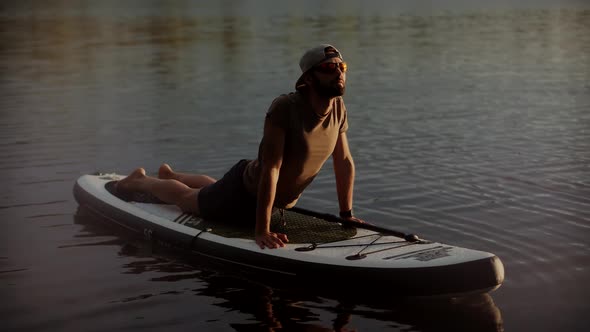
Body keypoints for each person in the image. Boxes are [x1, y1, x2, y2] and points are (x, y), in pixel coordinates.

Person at [116, 44, 363, 249]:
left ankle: (171, 174)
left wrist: (346, 214)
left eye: (342, 67)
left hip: (260, 190)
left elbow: (343, 162)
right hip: (243, 195)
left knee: (214, 188)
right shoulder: (286, 108)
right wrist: (262, 230)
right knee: (186, 198)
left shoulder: (338, 109)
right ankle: (140, 180)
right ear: (308, 78)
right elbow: (272, 169)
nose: (339, 73)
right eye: (329, 68)